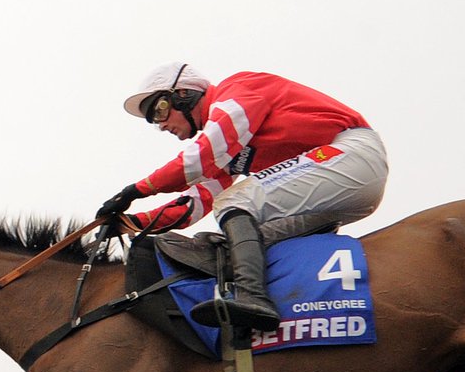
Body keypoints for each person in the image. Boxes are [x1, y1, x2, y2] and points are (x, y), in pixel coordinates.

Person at [98, 63, 387, 331]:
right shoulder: (229, 150)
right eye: (152, 120)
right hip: (344, 187)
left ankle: (252, 297)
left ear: (183, 95)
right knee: (249, 236)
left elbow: (201, 156)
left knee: (234, 202)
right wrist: (130, 222)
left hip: (350, 154)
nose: (160, 125)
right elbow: (193, 205)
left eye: (158, 111)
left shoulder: (238, 89)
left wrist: (136, 190)